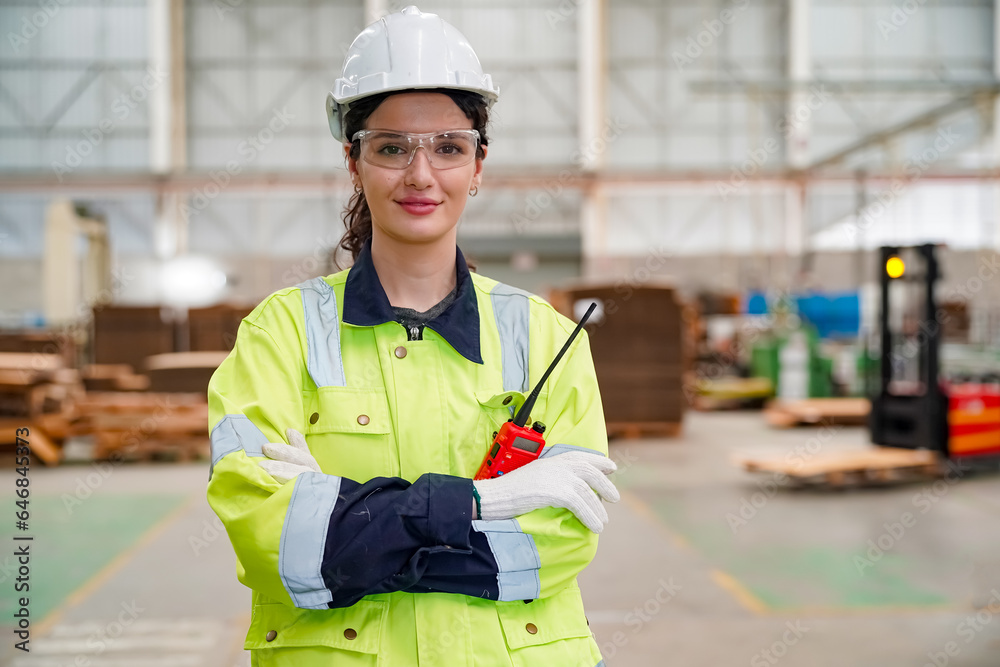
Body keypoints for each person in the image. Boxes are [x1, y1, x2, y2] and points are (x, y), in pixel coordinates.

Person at [206, 6, 619, 666]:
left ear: (479, 165)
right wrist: (486, 501)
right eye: (392, 147)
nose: (421, 175)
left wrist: (346, 519)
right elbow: (274, 542)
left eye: (449, 147)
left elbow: (557, 546)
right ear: (354, 161)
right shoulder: (279, 334)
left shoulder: (546, 336)